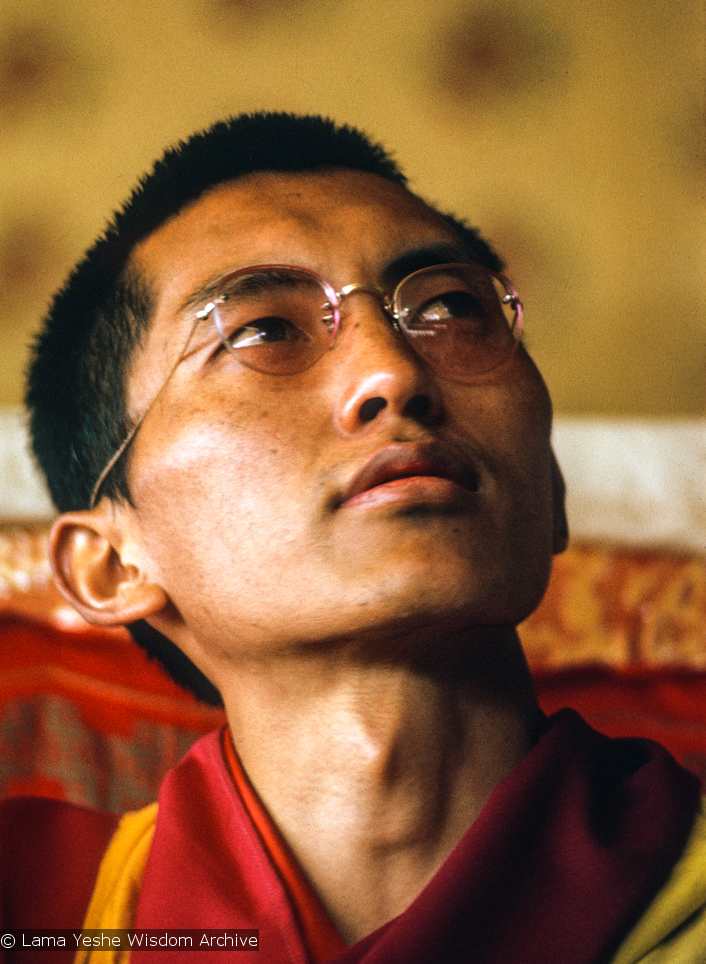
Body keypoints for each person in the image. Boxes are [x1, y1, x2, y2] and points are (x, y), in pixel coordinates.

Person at [2, 112, 705, 963]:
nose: (394, 371)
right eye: (262, 331)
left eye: (450, 309)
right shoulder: (41, 908)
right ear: (112, 563)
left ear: (550, 490)